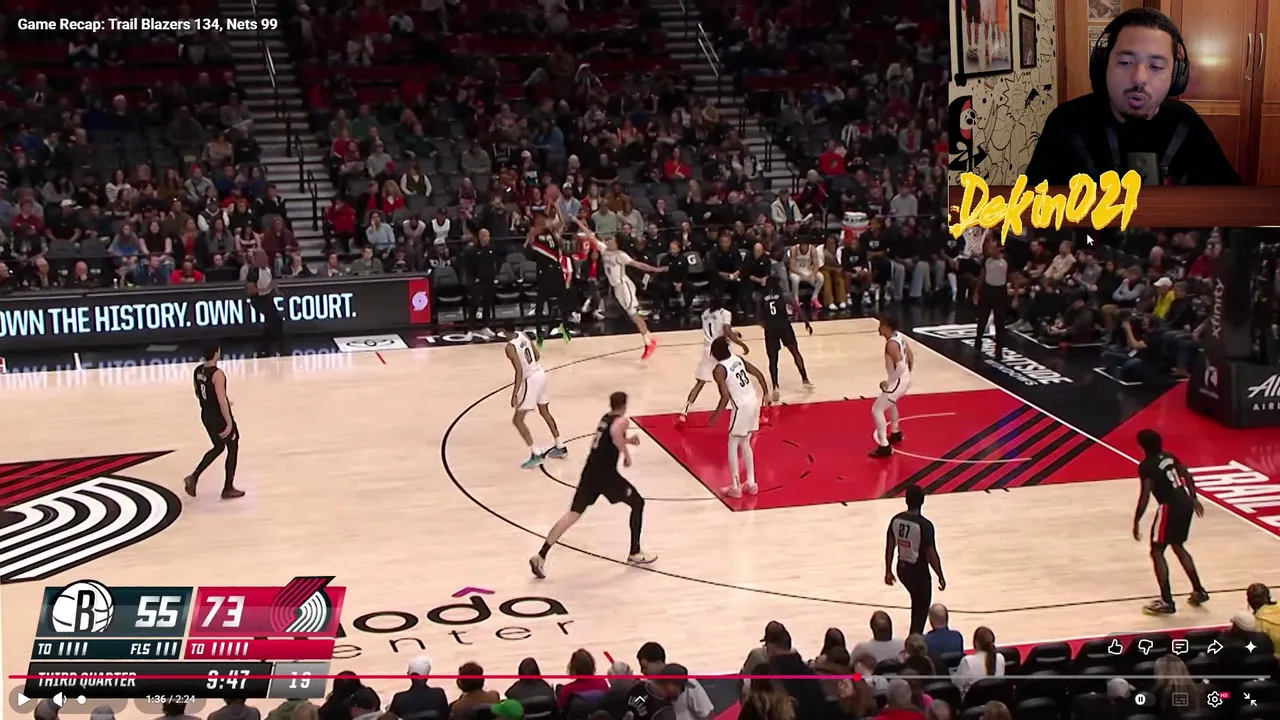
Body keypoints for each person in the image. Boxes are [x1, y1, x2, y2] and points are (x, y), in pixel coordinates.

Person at [1025, 8, 1239, 186]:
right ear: (1104, 66)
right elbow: (1032, 209)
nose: (1139, 78)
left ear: (1175, 76)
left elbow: (1230, 202)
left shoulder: (1187, 125)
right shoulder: (1066, 122)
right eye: (1126, 62)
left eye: (1156, 66)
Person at [529, 391, 656, 577]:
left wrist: (628, 440)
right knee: (638, 502)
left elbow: (608, 439)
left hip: (590, 473)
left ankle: (541, 555)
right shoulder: (621, 421)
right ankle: (635, 552)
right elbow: (616, 432)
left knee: (573, 514)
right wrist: (626, 454)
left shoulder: (605, 418)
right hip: (606, 476)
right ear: (624, 405)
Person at [1133, 428, 1209, 615]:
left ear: (1141, 446)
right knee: (1178, 546)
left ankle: (1167, 601)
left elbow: (1145, 495)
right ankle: (1199, 591)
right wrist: (1194, 497)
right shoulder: (1169, 456)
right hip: (1185, 502)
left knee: (1157, 550)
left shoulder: (1146, 466)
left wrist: (1137, 520)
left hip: (1169, 506)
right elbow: (1187, 475)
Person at [576, 220, 665, 359]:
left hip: (624, 285)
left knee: (633, 314)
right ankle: (650, 338)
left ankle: (649, 342)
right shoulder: (603, 250)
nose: (608, 242)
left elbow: (639, 265)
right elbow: (590, 235)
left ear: (616, 242)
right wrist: (577, 221)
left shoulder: (620, 255)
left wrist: (656, 269)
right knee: (632, 314)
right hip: (616, 288)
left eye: (610, 240)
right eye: (606, 240)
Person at [707, 336, 771, 498]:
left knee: (732, 444)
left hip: (741, 407)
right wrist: (766, 393)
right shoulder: (738, 359)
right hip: (753, 401)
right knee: (745, 442)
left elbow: (725, 396)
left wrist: (715, 416)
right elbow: (759, 374)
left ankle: (735, 487)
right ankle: (751, 483)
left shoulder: (719, 370)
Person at [184, 342, 246, 499]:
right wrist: (229, 423)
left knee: (218, 447)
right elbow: (221, 400)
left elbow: (198, 393)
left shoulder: (198, 371)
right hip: (219, 417)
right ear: (216, 353)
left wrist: (214, 402)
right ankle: (228, 487)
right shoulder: (217, 374)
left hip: (206, 415)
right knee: (233, 445)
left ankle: (194, 477)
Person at [678, 293, 748, 426]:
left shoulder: (704, 314)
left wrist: (733, 333)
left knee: (700, 383)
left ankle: (684, 412)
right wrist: (741, 344)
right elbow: (726, 331)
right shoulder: (725, 313)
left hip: (708, 349)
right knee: (732, 376)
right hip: (721, 349)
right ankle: (740, 406)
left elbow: (716, 330)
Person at [885, 487, 946, 635]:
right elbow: (931, 554)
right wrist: (940, 575)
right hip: (918, 571)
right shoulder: (924, 525)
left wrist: (888, 570)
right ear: (922, 501)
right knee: (921, 608)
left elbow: (890, 546)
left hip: (901, 568)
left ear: (906, 500)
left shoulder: (896, 519)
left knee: (917, 603)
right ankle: (915, 638)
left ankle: (915, 635)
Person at [507, 330, 567, 469]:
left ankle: (536, 454)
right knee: (545, 412)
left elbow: (519, 371)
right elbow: (537, 355)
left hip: (531, 379)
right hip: (540, 374)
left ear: (503, 332)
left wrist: (515, 394)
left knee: (517, 420)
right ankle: (560, 446)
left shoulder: (510, 347)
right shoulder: (523, 334)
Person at [760, 274, 813, 401]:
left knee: (773, 360)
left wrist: (766, 324)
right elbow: (797, 308)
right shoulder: (784, 295)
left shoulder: (762, 297)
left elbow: (759, 318)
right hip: (784, 326)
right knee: (795, 352)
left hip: (770, 329)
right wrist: (806, 322)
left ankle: (775, 386)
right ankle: (805, 379)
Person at [869, 315, 914, 459]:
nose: (879, 328)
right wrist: (907, 375)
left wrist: (890, 382)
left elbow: (900, 365)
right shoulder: (899, 336)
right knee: (891, 403)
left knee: (877, 409)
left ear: (886, 326)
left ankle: (884, 446)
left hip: (897, 381)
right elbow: (910, 356)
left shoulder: (891, 344)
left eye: (881, 325)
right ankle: (895, 432)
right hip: (903, 379)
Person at [526, 210, 573, 347]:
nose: (544, 222)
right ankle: (539, 332)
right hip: (543, 272)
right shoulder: (535, 233)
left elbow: (561, 223)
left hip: (556, 271)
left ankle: (565, 328)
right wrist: (536, 228)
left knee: (563, 302)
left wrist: (557, 207)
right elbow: (529, 244)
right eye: (541, 219)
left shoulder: (553, 233)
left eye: (545, 219)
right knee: (540, 304)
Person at [244, 248, 286, 357]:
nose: (264, 258)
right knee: (274, 319)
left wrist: (277, 291)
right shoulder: (253, 272)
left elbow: (272, 281)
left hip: (268, 297)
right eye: (261, 257)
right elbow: (250, 290)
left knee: (275, 320)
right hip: (258, 300)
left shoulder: (268, 269)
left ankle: (269, 345)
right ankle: (272, 345)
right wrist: (266, 289)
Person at [972, 238, 1008, 362]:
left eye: (992, 248)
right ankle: (978, 341)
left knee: (999, 322)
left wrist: (1015, 295)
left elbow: (1012, 277)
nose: (989, 250)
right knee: (982, 318)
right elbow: (982, 276)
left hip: (1000, 292)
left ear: (999, 249)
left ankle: (999, 350)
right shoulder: (986, 261)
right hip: (987, 290)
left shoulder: (1006, 261)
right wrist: (976, 292)